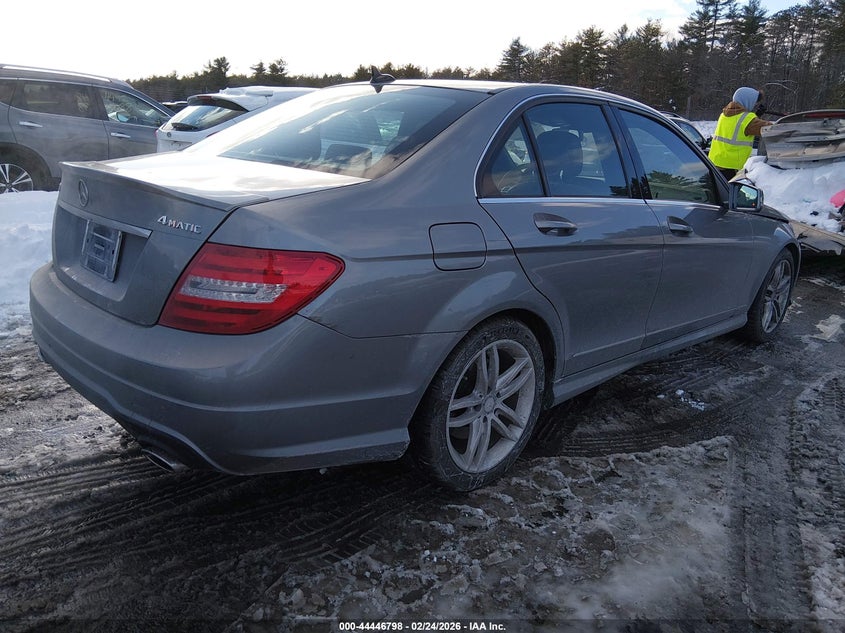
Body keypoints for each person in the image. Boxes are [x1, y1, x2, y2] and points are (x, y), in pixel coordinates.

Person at [708, 87, 773, 180]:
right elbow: (771, 129)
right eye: (754, 102)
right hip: (731, 169)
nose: (754, 105)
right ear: (747, 101)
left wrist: (757, 116)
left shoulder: (724, 115)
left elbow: (738, 127)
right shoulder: (747, 119)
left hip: (714, 164)